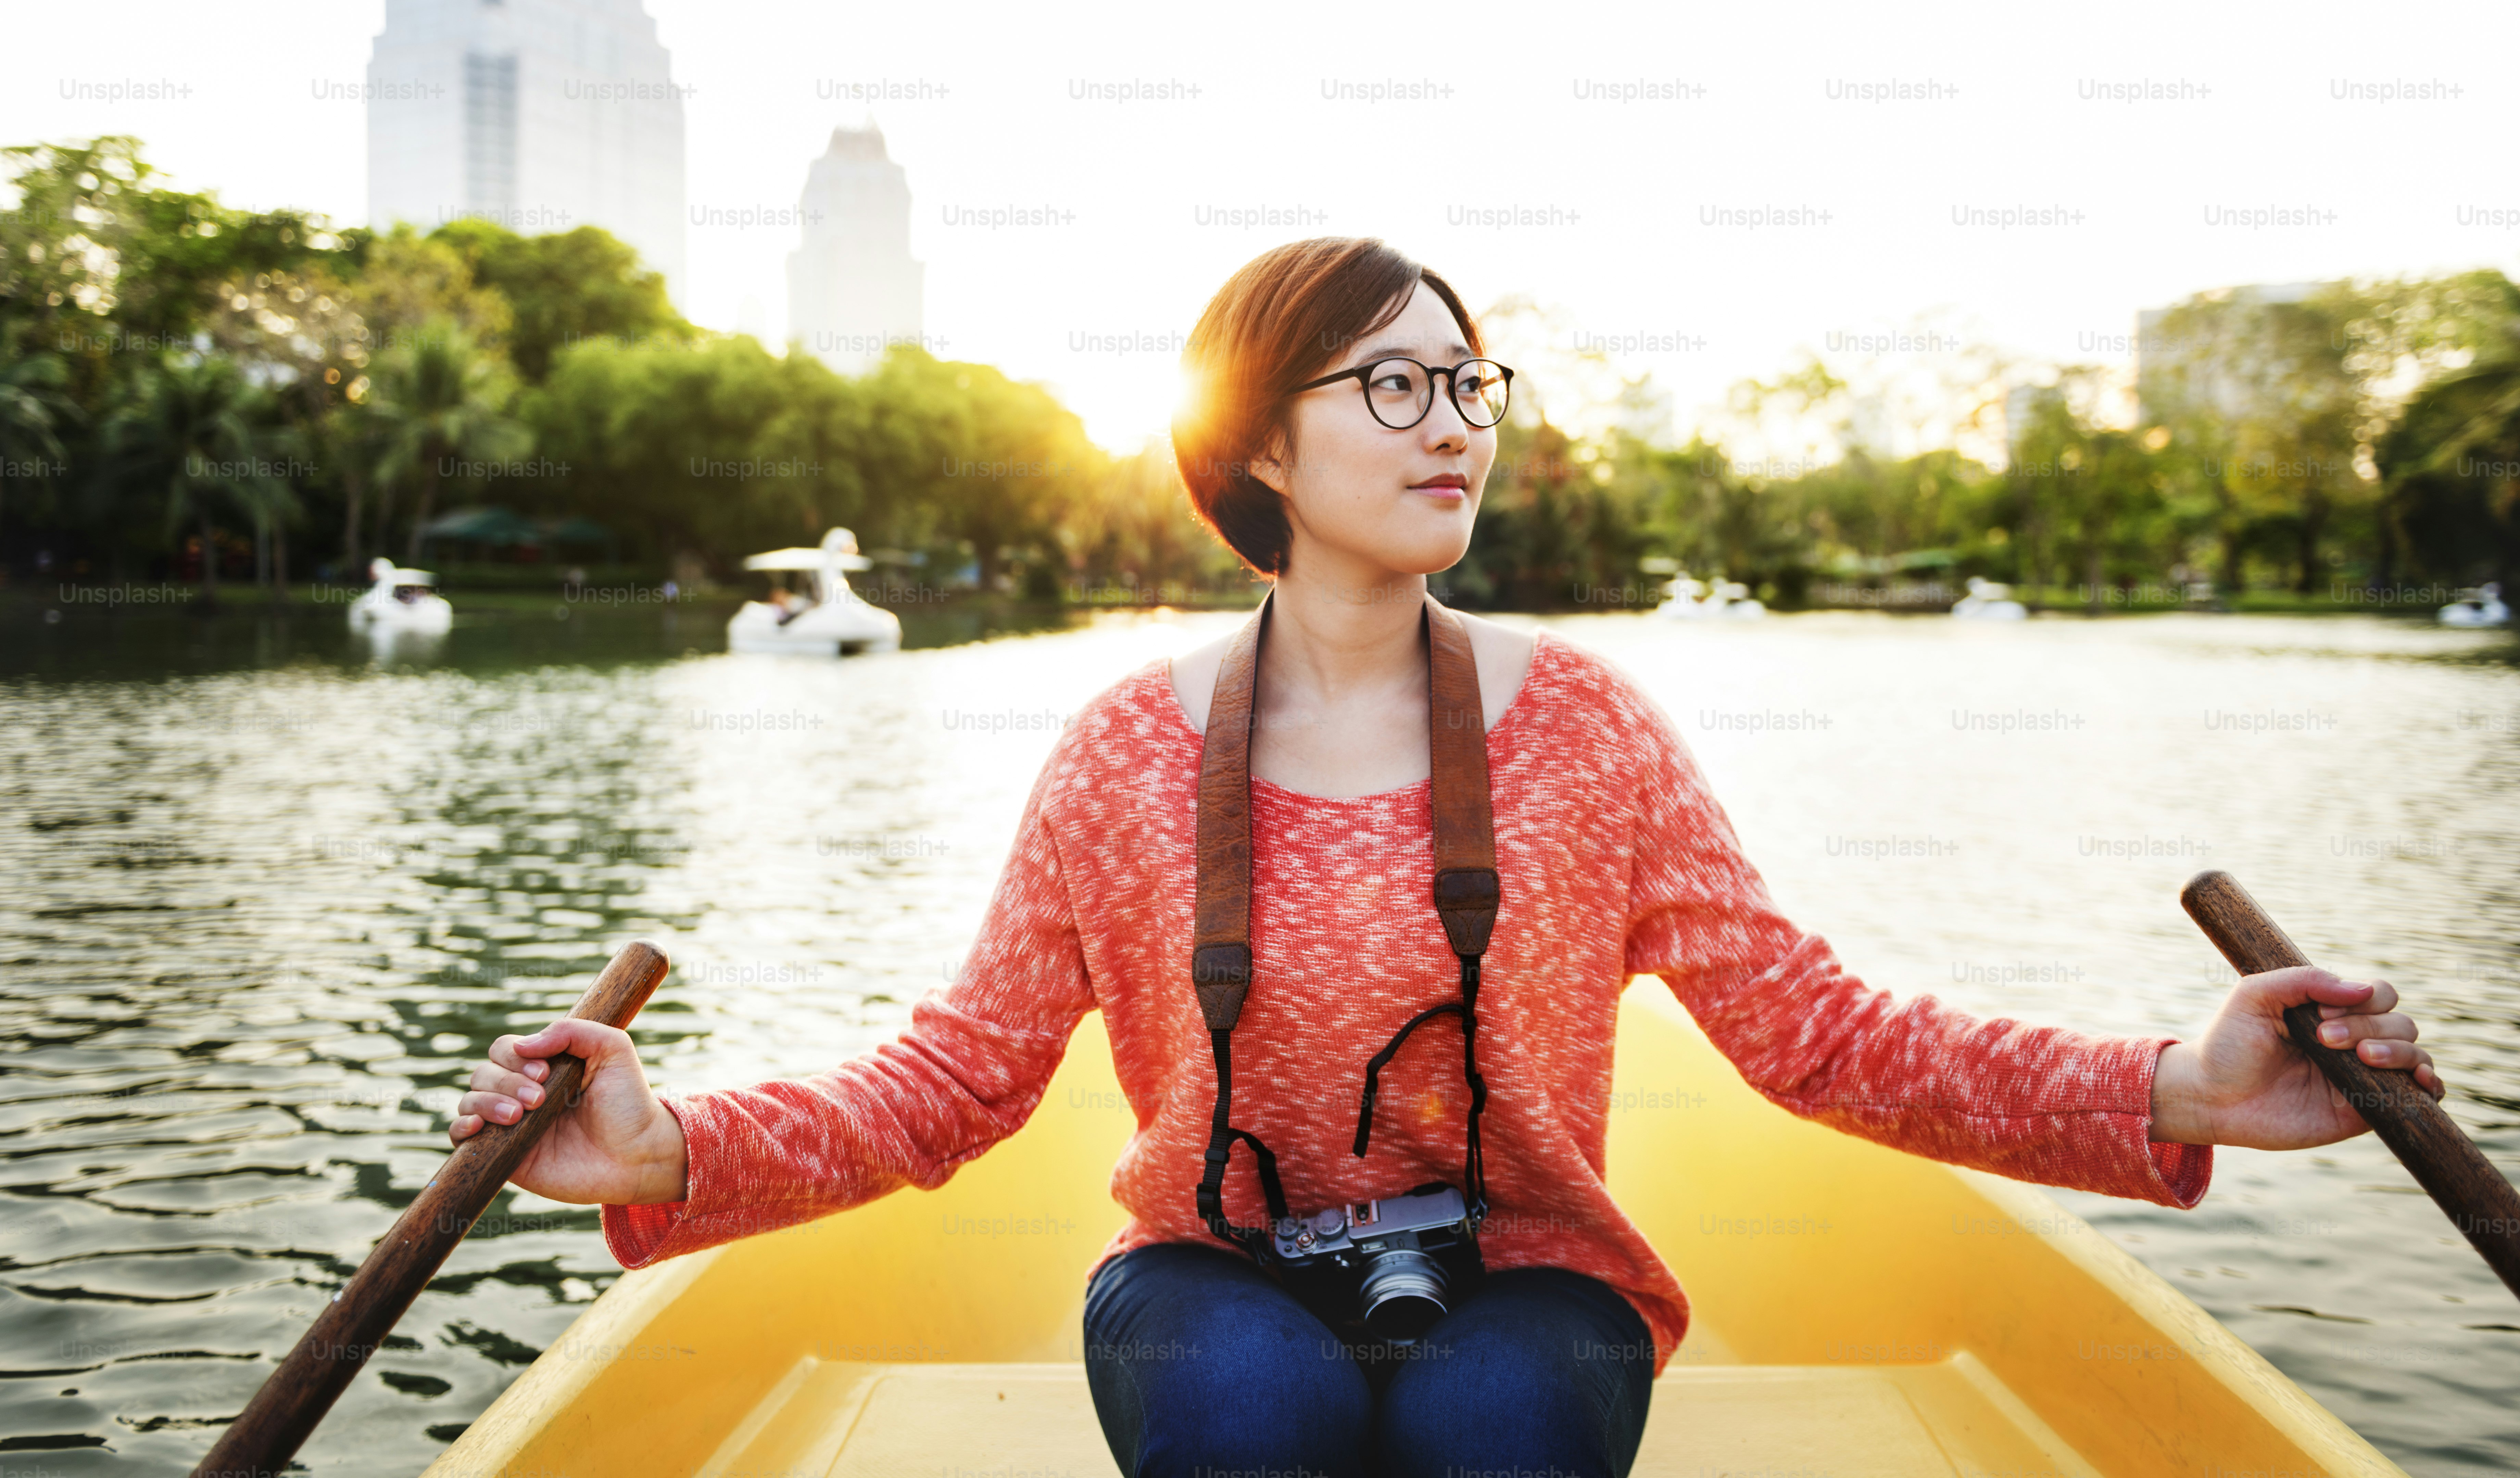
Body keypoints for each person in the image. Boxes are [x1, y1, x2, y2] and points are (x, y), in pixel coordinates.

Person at [449, 239, 2444, 1478]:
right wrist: (669, 1150)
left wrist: (2179, 1090)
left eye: (1469, 380)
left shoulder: (1586, 729)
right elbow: (958, 1078)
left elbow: (1821, 1036)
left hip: (1528, 1276)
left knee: (1501, 1434)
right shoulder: (1122, 753)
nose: (1453, 425)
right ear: (1253, 446)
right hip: (1208, 1273)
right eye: (1392, 384)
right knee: (1261, 1425)